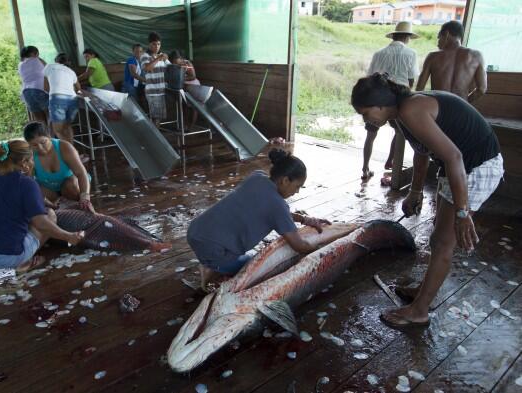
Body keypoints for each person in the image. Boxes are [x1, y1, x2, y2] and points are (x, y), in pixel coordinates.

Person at [351, 73, 503, 328]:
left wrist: (463, 213)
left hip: (477, 166)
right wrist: (415, 192)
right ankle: (424, 291)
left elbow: (454, 157)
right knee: (437, 237)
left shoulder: (411, 109)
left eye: (365, 113)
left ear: (380, 105)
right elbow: (422, 152)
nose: (365, 119)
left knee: (444, 242)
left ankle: (419, 311)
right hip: (459, 167)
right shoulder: (400, 113)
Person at [187, 149, 331, 290]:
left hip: (196, 231)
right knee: (256, 266)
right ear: (285, 180)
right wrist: (322, 248)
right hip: (212, 248)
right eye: (297, 186)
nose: (297, 191)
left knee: (243, 255)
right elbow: (299, 246)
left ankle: (212, 262)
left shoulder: (257, 177)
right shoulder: (277, 206)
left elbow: (274, 212)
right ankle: (211, 268)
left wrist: (304, 219)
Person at [0, 140, 84, 273]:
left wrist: (41, 201)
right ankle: (24, 263)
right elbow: (41, 223)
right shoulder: (27, 183)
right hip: (6, 256)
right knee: (49, 215)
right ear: (24, 163)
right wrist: (69, 236)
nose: (33, 162)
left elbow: (7, 198)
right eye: (32, 159)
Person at [362, 21, 419, 180]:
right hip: (397, 101)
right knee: (400, 132)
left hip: (378, 100)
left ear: (393, 35)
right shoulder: (411, 54)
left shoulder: (379, 53)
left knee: (371, 135)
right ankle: (391, 162)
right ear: (407, 37)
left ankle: (365, 168)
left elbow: (370, 78)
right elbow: (411, 80)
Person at [23, 121, 94, 212]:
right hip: (49, 189)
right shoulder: (29, 155)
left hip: (71, 185)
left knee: (70, 184)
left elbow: (81, 173)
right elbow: (29, 182)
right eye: (34, 145)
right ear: (29, 144)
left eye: (43, 142)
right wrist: (43, 201)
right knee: (35, 192)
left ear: (49, 136)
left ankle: (79, 207)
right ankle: (57, 210)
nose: (40, 148)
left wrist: (85, 198)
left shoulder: (64, 147)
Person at [416, 21, 486, 102]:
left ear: (446, 34)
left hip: (437, 106)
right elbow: (482, 89)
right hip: (461, 106)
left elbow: (420, 88)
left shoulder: (432, 57)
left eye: (439, 37)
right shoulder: (476, 56)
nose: (438, 43)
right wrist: (464, 103)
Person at [43, 53, 82, 145]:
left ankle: (69, 153)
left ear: (56, 61)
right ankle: (72, 152)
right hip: (73, 99)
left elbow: (45, 87)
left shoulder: (49, 66)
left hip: (57, 99)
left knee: (58, 130)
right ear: (68, 62)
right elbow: (78, 88)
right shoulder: (71, 72)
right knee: (67, 127)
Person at [141, 32, 171, 128]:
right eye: (154, 44)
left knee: (159, 117)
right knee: (155, 117)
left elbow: (170, 68)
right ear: (149, 44)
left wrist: (180, 64)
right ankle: (154, 138)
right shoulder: (145, 56)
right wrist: (158, 58)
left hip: (162, 91)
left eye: (159, 44)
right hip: (152, 92)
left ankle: (155, 136)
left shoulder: (162, 56)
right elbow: (147, 68)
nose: (157, 46)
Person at [18, 45, 49, 126]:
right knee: (49, 116)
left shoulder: (20, 65)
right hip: (40, 90)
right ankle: (52, 137)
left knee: (39, 120)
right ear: (34, 53)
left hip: (26, 92)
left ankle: (44, 137)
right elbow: (49, 70)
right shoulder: (38, 60)